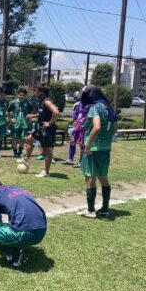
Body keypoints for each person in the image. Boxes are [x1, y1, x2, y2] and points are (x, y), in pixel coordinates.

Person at [0, 177, 47, 268]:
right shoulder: (17, 189)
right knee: (11, 226)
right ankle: (18, 247)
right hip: (42, 231)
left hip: (25, 233)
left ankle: (16, 253)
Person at [76, 85, 117, 219]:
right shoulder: (108, 107)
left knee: (89, 179)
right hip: (105, 149)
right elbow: (114, 130)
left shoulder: (95, 108)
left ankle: (91, 210)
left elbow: (97, 127)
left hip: (93, 150)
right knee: (103, 177)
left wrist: (87, 147)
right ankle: (105, 210)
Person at [24, 84, 59, 178]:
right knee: (29, 139)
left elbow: (56, 112)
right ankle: (27, 161)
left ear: (41, 92)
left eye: (36, 90)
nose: (35, 91)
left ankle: (46, 172)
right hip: (42, 128)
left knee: (47, 151)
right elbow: (42, 113)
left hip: (48, 129)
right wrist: (33, 116)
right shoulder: (42, 100)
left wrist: (50, 123)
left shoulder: (47, 101)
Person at [62, 100, 90, 168]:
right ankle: (70, 160)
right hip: (77, 127)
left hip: (84, 128)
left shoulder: (91, 105)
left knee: (82, 145)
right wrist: (69, 123)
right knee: (72, 142)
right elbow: (76, 115)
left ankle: (81, 162)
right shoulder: (80, 103)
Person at [7, 88, 33, 158]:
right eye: (20, 95)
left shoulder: (27, 103)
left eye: (23, 95)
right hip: (16, 124)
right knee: (15, 138)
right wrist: (10, 119)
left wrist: (29, 117)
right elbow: (7, 111)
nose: (21, 96)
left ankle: (20, 152)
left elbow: (32, 112)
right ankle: (15, 153)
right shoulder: (13, 102)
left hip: (24, 124)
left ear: (25, 95)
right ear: (18, 95)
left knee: (23, 139)